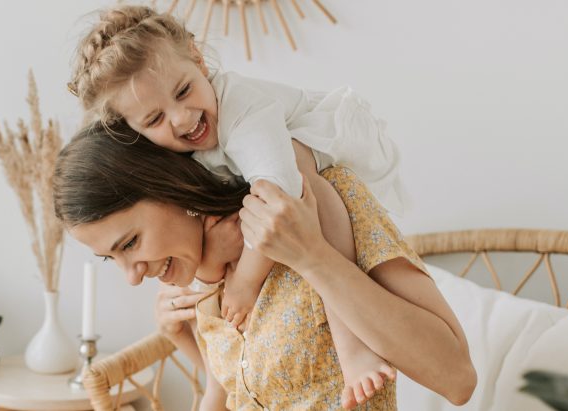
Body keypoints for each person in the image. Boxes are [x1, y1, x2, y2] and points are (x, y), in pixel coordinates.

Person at [67, 5, 408, 399]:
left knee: (300, 182)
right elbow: (234, 383)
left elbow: (281, 193)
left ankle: (353, 344)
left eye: (183, 91)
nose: (181, 118)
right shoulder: (182, 170)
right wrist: (207, 278)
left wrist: (245, 280)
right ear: (136, 133)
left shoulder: (243, 109)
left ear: (198, 60)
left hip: (326, 145)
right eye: (155, 119)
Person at [52, 123, 475, 409]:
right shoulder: (202, 276)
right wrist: (179, 335)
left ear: (171, 188)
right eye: (113, 258)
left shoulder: (322, 202)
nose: (132, 276)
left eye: (130, 243)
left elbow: (456, 378)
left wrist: (313, 256)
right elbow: (261, 389)